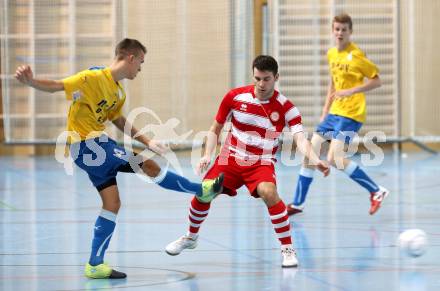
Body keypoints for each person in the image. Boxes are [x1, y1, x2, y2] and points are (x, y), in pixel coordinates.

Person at [14, 38, 224, 279]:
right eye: (141, 63)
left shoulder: (118, 92)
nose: (140, 69)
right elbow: (57, 85)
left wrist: (148, 142)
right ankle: (201, 189)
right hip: (87, 146)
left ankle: (95, 264)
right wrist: (30, 81)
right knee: (147, 165)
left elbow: (119, 120)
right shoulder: (92, 78)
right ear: (130, 58)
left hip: (98, 146)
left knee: (112, 204)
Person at [165, 55, 330, 268]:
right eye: (257, 78)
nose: (261, 84)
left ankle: (287, 249)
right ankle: (190, 237)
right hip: (230, 158)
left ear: (276, 77)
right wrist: (207, 154)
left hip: (260, 162)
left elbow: (300, 139)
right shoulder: (235, 97)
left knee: (269, 193)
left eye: (266, 79)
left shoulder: (287, 108)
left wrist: (315, 160)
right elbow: (215, 128)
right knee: (204, 192)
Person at [287, 13, 389, 216]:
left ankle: (377, 191)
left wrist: (351, 91)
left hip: (351, 113)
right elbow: (333, 83)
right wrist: (326, 110)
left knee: (336, 158)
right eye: (337, 29)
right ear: (333, 31)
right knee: (310, 152)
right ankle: (297, 204)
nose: (340, 33)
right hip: (334, 111)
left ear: (350, 32)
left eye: (344, 29)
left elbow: (377, 80)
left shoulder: (357, 55)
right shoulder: (332, 53)